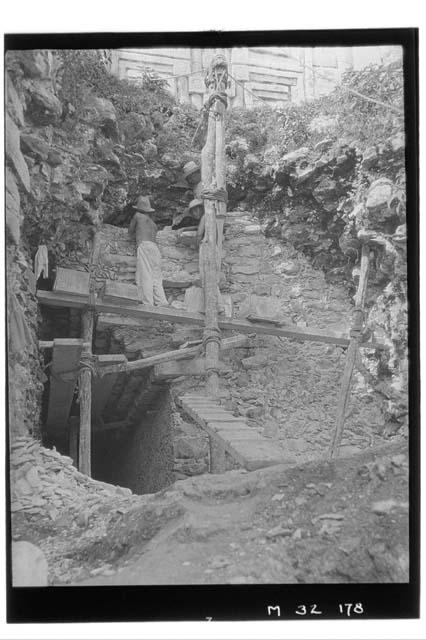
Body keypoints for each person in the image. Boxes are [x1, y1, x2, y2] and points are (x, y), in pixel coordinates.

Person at [128, 195, 168, 307]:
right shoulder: (153, 224)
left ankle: (148, 303)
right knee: (156, 276)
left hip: (144, 245)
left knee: (145, 274)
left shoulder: (137, 216)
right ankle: (161, 301)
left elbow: (130, 231)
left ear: (138, 208)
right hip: (155, 248)